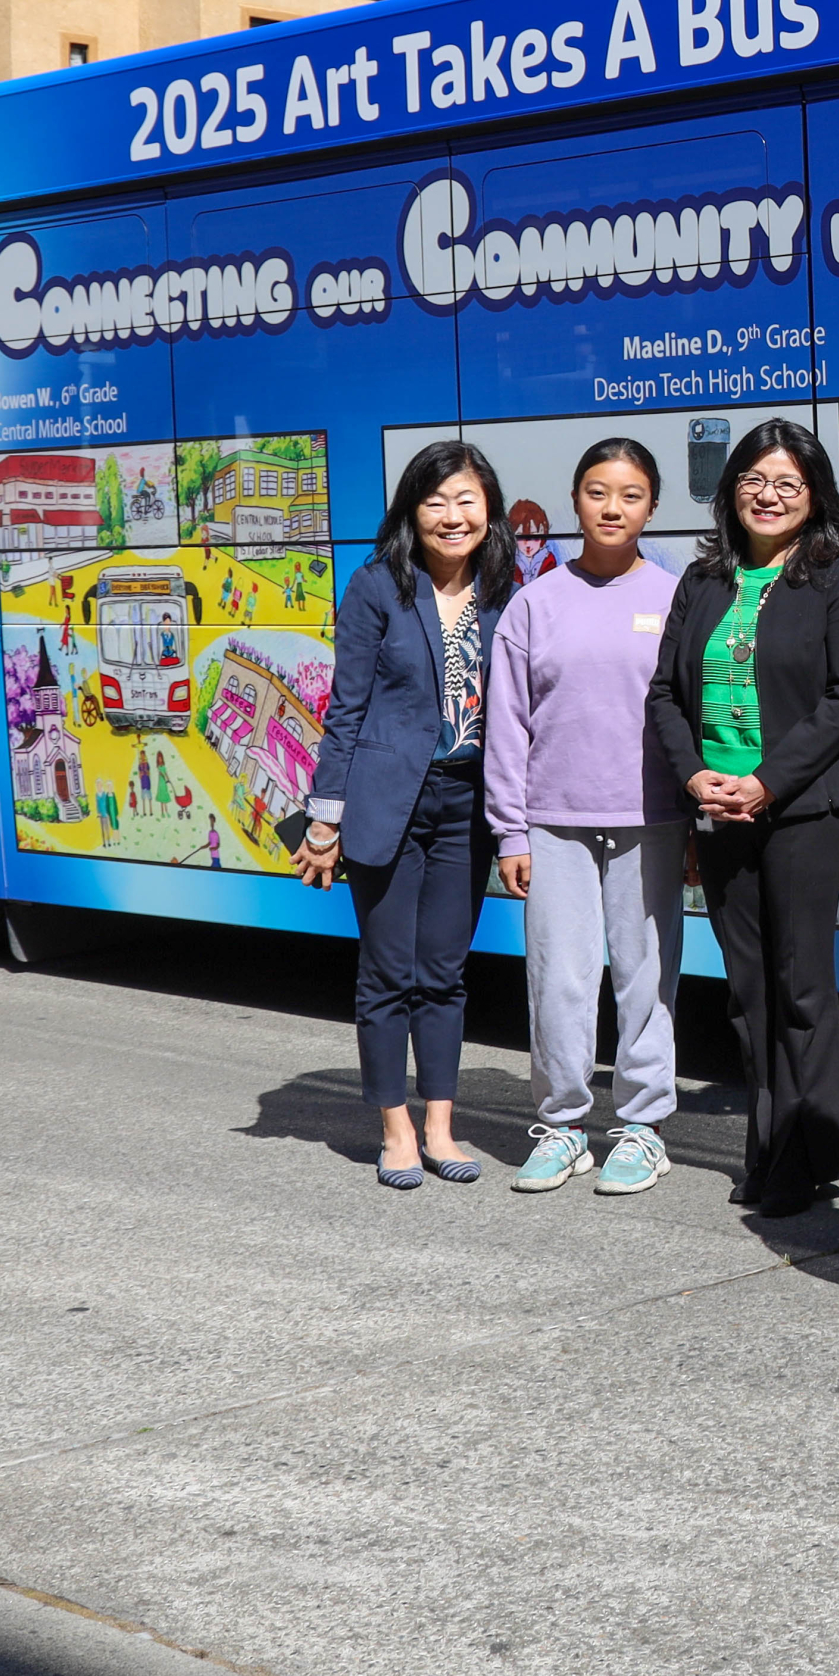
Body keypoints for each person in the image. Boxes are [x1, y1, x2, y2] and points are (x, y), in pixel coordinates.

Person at [644, 420, 839, 1219]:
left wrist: (767, 782)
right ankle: (767, 1144)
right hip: (719, 808)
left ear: (813, 498)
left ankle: (804, 1153)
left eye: (787, 483)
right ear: (730, 488)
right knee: (747, 990)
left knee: (801, 982)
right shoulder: (703, 579)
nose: (768, 494)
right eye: (753, 479)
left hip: (802, 808)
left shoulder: (833, 578)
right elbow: (666, 694)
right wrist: (696, 774)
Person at [298, 438, 518, 1188]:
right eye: (435, 501)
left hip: (468, 802)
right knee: (389, 972)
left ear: (489, 509)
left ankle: (441, 1127)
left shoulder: (502, 587)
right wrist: (324, 822)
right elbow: (345, 711)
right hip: (388, 800)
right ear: (410, 510)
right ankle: (394, 1130)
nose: (452, 516)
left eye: (466, 500)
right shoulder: (375, 586)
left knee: (446, 973)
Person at [486, 437, 688, 1200]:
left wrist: (699, 822)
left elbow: (693, 717)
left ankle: (641, 1128)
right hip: (552, 822)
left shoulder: (673, 598)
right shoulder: (535, 602)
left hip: (654, 818)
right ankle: (564, 1125)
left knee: (647, 977)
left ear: (652, 507)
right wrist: (510, 829)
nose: (613, 507)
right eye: (599, 491)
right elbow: (508, 724)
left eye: (630, 494)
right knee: (559, 978)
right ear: (575, 499)